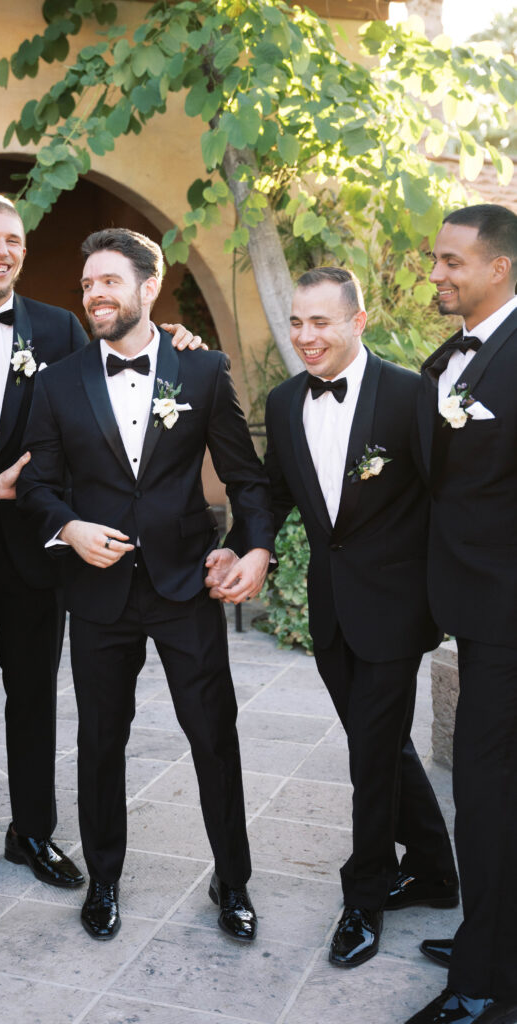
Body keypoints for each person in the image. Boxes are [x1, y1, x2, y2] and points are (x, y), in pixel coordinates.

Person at [0, 198, 199, 901]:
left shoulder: (57, 325)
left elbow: (111, 377)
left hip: (37, 549)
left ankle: (32, 831)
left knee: (34, 696)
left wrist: (177, 344)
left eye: (13, 240)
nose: (2, 251)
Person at [18, 227, 275, 942]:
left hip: (183, 586)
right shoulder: (59, 380)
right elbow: (37, 484)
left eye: (109, 281)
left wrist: (251, 549)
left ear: (147, 286)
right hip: (98, 594)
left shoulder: (201, 371)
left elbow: (245, 478)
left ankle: (233, 883)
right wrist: (69, 528)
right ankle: (103, 881)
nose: (95, 294)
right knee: (100, 741)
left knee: (212, 737)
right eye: (87, 283)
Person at [212, 267, 457, 969]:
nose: (304, 336)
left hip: (395, 607)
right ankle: (437, 874)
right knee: (378, 745)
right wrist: (247, 550)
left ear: (357, 321)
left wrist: (449, 596)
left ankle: (365, 896)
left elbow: (447, 500)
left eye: (319, 322)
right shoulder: (285, 401)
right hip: (331, 606)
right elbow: (273, 492)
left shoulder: (413, 395)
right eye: (296, 322)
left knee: (368, 756)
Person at [404, 205, 517, 1024]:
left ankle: (483, 981)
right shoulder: (448, 357)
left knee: (486, 791)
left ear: (498, 268)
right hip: (469, 607)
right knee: (485, 791)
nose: (435, 273)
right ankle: (491, 933)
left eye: (450, 262)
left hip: (511, 614)